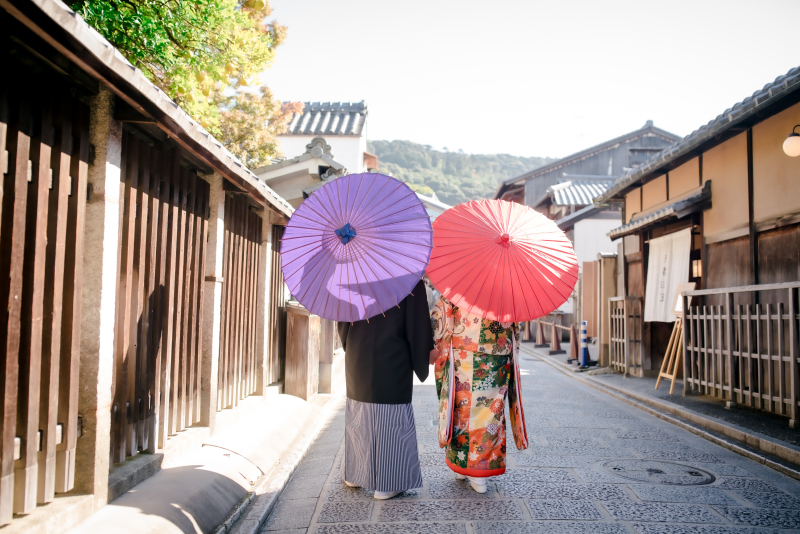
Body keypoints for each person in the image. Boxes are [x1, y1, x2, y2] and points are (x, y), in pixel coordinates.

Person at [337, 278, 436, 500]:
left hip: (358, 353)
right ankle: (389, 483)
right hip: (393, 357)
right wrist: (424, 354)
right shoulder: (409, 281)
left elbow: (342, 321)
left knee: (359, 415)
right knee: (391, 417)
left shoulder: (356, 275)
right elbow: (417, 327)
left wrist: (349, 344)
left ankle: (355, 474)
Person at [431, 296, 528, 493]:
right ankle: (480, 471)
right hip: (498, 353)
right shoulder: (508, 283)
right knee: (491, 412)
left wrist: (438, 342)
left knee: (461, 408)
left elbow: (440, 316)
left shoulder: (461, 278)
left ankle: (462, 465)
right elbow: (515, 323)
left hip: (464, 351)